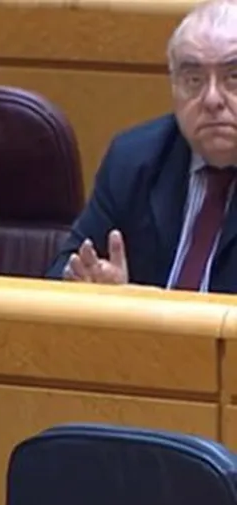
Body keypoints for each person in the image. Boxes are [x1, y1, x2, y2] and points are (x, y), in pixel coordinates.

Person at [50, 0, 237, 293]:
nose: (212, 99)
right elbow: (62, 273)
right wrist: (92, 285)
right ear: (174, 88)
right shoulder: (135, 159)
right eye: (194, 80)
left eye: (234, 78)